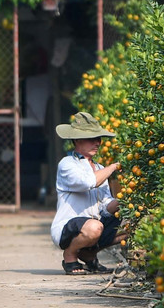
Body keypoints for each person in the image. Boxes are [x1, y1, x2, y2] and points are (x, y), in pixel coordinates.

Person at [52, 112, 123, 275]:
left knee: (131, 224)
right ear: (77, 140)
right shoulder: (67, 164)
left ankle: (89, 254)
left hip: (94, 225)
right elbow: (87, 182)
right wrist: (113, 167)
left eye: (99, 139)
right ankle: (70, 255)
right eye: (92, 139)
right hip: (69, 228)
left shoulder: (99, 168)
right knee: (95, 227)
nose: (97, 143)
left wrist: (125, 201)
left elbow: (105, 206)